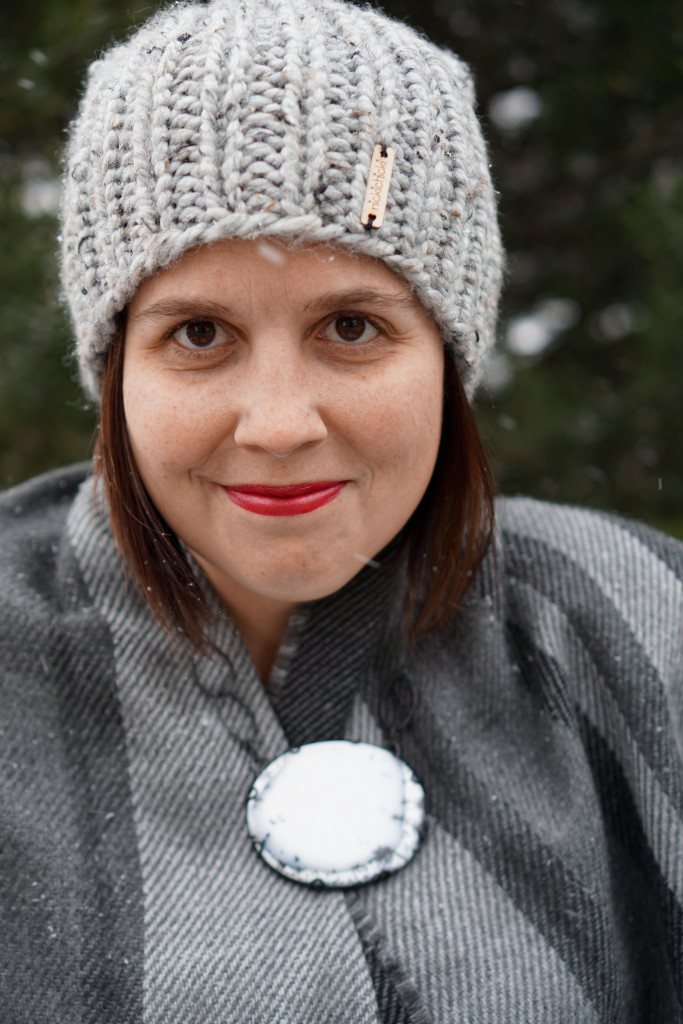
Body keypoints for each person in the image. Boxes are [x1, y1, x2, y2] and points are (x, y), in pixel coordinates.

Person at [1, 0, 682, 1020]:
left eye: (352, 326)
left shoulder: (643, 620)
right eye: (197, 335)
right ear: (114, 369)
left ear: (447, 356)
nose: (277, 425)